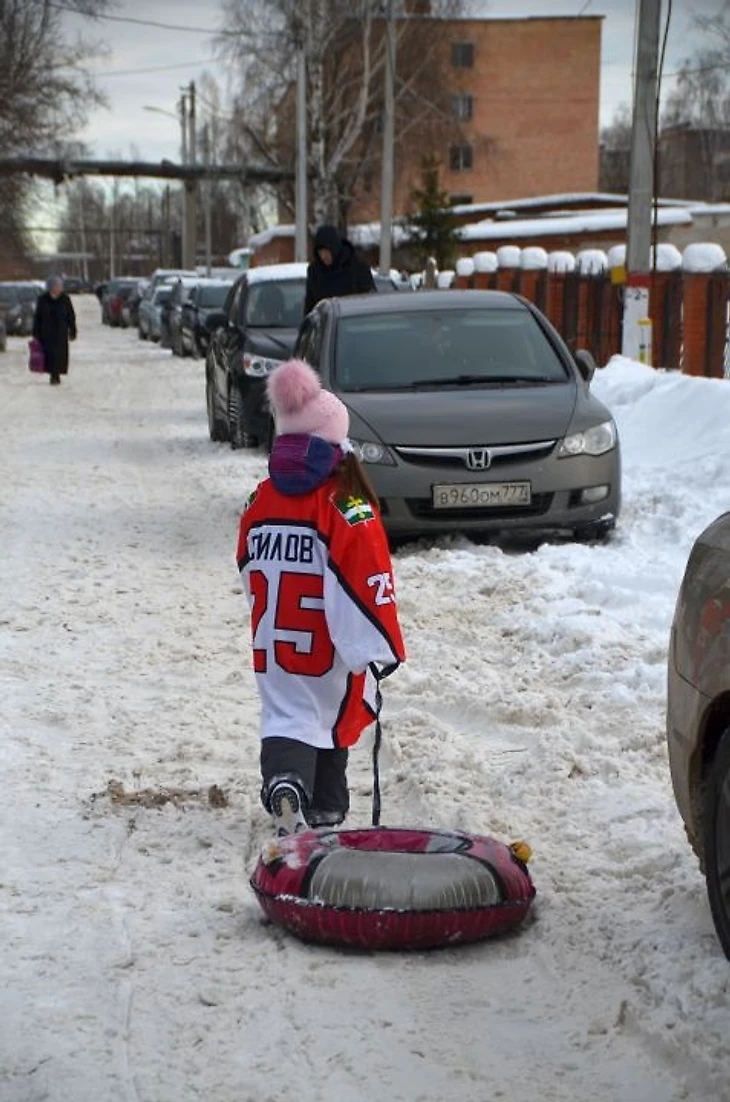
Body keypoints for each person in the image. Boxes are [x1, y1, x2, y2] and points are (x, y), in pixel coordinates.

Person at [236, 359, 405, 836]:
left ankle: (286, 782)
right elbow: (364, 577)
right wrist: (377, 647)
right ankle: (327, 806)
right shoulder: (347, 505)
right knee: (333, 715)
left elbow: (247, 565)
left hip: (276, 644)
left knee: (287, 715)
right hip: (324, 645)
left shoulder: (260, 498)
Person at [303, 224, 376, 316]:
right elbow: (310, 305)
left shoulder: (357, 266)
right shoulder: (315, 271)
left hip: (355, 320)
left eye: (326, 251)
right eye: (320, 252)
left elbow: (370, 300)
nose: (324, 256)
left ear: (334, 247)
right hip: (325, 324)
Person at [32, 276, 77, 385]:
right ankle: (53, 374)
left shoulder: (65, 299)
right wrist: (35, 333)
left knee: (59, 355)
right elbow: (37, 317)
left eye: (60, 286)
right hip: (46, 332)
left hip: (60, 332)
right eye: (56, 286)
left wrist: (73, 330)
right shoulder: (42, 299)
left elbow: (71, 315)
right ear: (51, 287)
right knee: (49, 354)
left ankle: (56, 374)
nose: (59, 288)